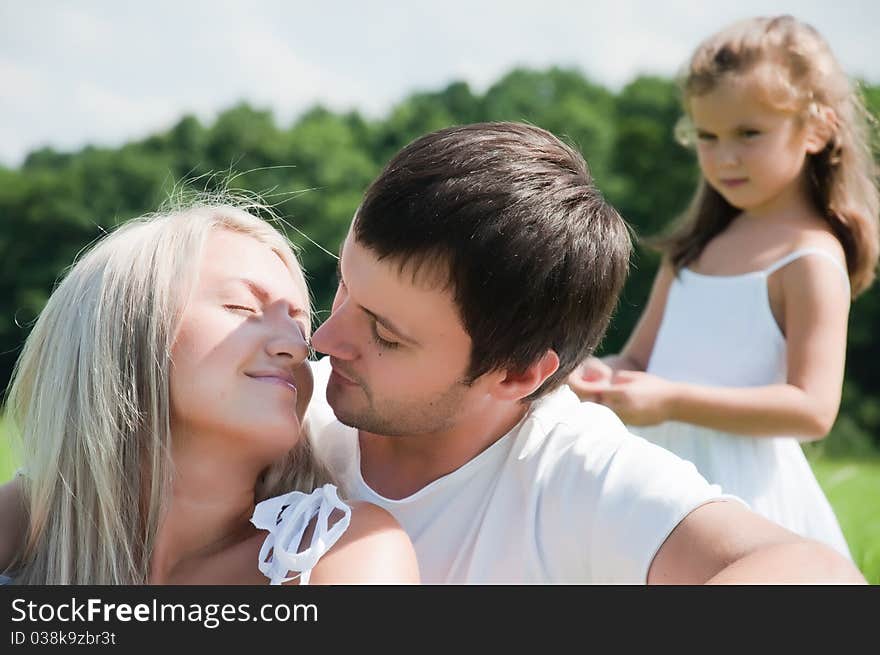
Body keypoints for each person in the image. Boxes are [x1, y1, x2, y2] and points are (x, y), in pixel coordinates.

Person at [303, 121, 864, 583]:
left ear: (516, 375)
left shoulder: (573, 470)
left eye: (386, 335)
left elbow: (813, 576)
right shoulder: (285, 411)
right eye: (347, 286)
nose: (324, 341)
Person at [567, 16, 878, 560]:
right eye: (706, 136)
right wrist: (596, 377)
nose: (724, 156)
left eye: (748, 133)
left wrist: (671, 401)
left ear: (817, 129)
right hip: (659, 478)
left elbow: (812, 408)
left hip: (748, 498)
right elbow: (638, 359)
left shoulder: (809, 259)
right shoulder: (695, 249)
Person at [0, 201, 419, 585]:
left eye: (299, 326)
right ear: (122, 335)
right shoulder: (26, 531)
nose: (296, 347)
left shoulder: (342, 551)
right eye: (242, 309)